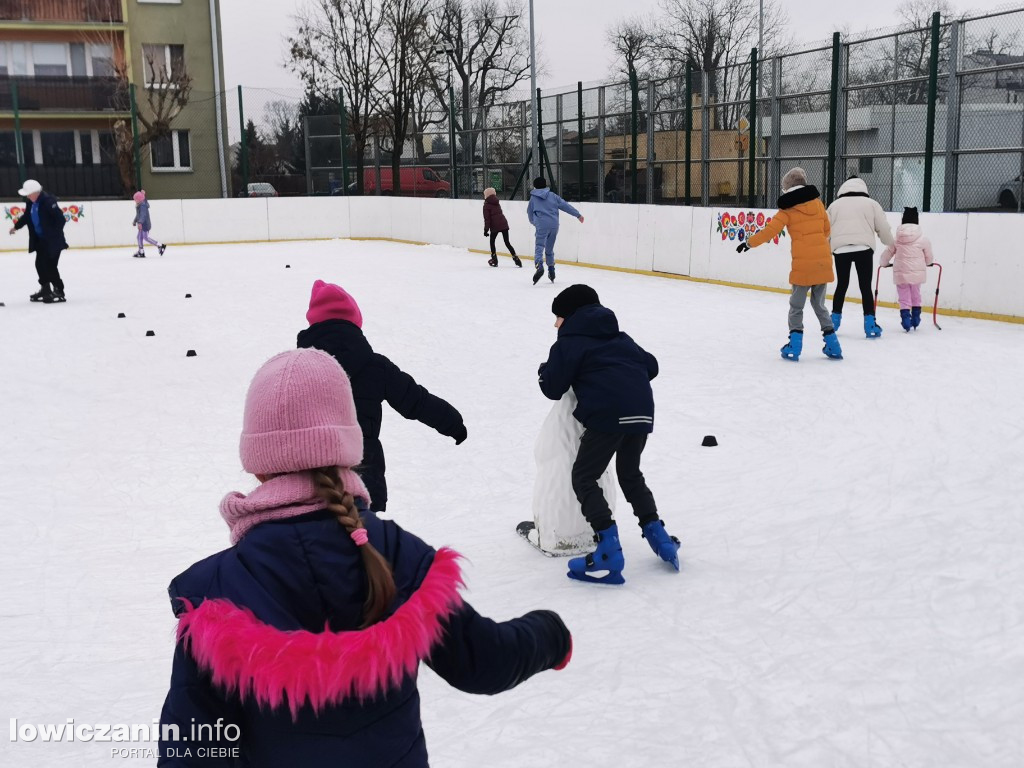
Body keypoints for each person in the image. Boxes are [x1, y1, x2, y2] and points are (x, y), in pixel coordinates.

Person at [157, 348, 572, 766]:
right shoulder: (395, 553)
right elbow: (485, 662)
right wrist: (549, 634)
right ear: (348, 445)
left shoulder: (216, 595)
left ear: (258, 465)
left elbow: (190, 749)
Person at [537, 284, 679, 584]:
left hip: (607, 415)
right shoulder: (621, 338)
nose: (555, 324)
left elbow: (552, 387)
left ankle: (607, 550)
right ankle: (660, 537)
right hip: (641, 411)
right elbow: (651, 365)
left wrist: (545, 369)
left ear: (571, 316)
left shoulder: (570, 343)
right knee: (630, 474)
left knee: (584, 477)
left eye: (559, 317)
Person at [297, 280, 466, 513]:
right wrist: (453, 423)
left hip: (312, 480)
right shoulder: (375, 366)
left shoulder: (296, 368)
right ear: (355, 322)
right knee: (364, 542)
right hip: (363, 478)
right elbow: (416, 400)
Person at [736, 167, 842, 361]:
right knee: (819, 305)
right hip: (822, 262)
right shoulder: (818, 204)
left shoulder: (787, 209)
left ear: (787, 188)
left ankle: (795, 345)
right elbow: (827, 230)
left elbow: (770, 231)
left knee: (796, 305)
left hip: (803, 266)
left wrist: (749, 243)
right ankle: (834, 345)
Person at [826, 175, 893, 338]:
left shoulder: (834, 206)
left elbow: (825, 229)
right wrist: (889, 241)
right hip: (864, 248)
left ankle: (833, 322)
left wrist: (828, 249)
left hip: (840, 249)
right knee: (865, 286)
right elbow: (883, 227)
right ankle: (870, 324)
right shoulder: (872, 204)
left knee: (842, 284)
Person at [7, 179, 68, 303]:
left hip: (53, 241)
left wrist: (52, 236)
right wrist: (16, 227)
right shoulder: (31, 202)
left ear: (36, 192)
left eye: (29, 194)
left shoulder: (48, 201)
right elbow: (27, 216)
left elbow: (60, 220)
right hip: (40, 240)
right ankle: (46, 289)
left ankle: (59, 290)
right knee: (39, 264)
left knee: (50, 266)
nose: (28, 197)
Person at [880, 207, 934, 332]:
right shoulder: (923, 239)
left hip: (901, 274)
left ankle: (905, 320)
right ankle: (915, 319)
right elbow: (929, 256)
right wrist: (929, 263)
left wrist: (884, 264)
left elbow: (887, 253)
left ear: (903, 221)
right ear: (917, 221)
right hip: (917, 273)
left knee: (903, 296)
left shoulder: (896, 239)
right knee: (916, 294)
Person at [527, 177, 584, 286]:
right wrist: (578, 215)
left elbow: (530, 213)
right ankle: (551, 270)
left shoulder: (533, 198)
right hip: (554, 224)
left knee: (539, 246)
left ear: (535, 186)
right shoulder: (552, 196)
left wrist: (534, 222)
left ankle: (539, 265)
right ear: (545, 185)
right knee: (549, 248)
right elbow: (565, 205)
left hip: (541, 224)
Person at [482, 187, 521, 268]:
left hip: (495, 226)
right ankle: (516, 258)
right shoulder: (496, 202)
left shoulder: (486, 205)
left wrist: (486, 230)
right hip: (503, 223)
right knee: (507, 242)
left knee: (492, 242)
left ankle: (494, 259)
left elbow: (487, 219)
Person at [131, 189, 167, 258]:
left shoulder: (142, 206)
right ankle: (141, 251)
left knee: (146, 237)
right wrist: (135, 221)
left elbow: (143, 215)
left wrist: (140, 223)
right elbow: (138, 215)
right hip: (141, 224)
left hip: (144, 225)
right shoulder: (140, 204)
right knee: (139, 237)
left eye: (135, 199)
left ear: (139, 200)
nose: (134, 201)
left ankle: (160, 245)